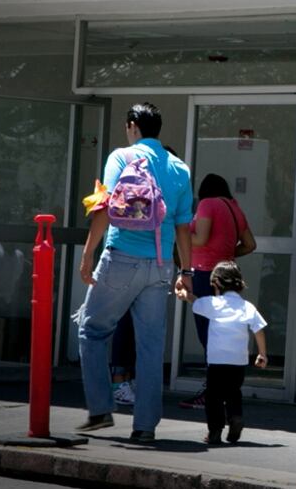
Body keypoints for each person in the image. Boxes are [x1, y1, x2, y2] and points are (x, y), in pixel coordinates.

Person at [75, 102, 193, 442]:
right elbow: (184, 226)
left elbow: (103, 209)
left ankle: (100, 409)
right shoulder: (179, 168)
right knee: (152, 348)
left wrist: (86, 256)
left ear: (132, 126)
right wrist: (186, 270)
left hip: (121, 258)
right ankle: (144, 428)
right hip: (160, 266)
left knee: (92, 329)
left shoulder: (121, 158)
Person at [179, 174, 257, 410]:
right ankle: (225, 392)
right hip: (227, 275)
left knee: (208, 336)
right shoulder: (235, 208)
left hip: (205, 275)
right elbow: (250, 244)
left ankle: (212, 392)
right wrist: (227, 256)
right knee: (223, 334)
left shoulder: (207, 204)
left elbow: (200, 238)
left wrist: (179, 235)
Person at [182, 261, 268, 445]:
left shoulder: (213, 303)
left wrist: (184, 294)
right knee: (233, 393)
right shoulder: (247, 306)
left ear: (217, 284)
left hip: (217, 360)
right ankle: (235, 418)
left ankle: (215, 431)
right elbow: (259, 329)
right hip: (238, 361)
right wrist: (262, 353)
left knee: (213, 396)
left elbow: (194, 301)